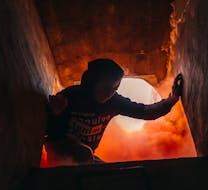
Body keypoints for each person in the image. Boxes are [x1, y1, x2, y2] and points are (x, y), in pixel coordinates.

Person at [44, 58, 183, 165]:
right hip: (61, 151)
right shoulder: (70, 97)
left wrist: (171, 100)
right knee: (85, 154)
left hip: (87, 157)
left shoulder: (113, 102)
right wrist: (55, 114)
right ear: (91, 82)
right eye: (105, 87)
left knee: (114, 172)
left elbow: (144, 111)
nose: (110, 93)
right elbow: (52, 134)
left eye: (115, 89)